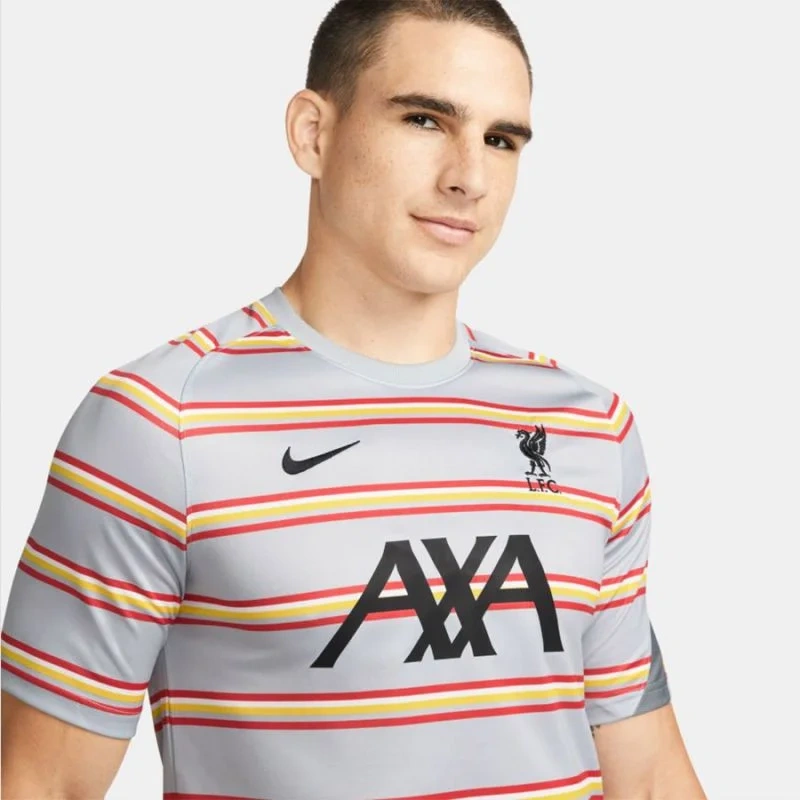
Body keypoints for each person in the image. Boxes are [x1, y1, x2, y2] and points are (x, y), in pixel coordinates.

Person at [1, 1, 706, 797]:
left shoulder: (589, 429)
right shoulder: (161, 424)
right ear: (313, 133)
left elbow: (648, 775)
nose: (469, 178)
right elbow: (40, 785)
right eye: (425, 120)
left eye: (501, 140)